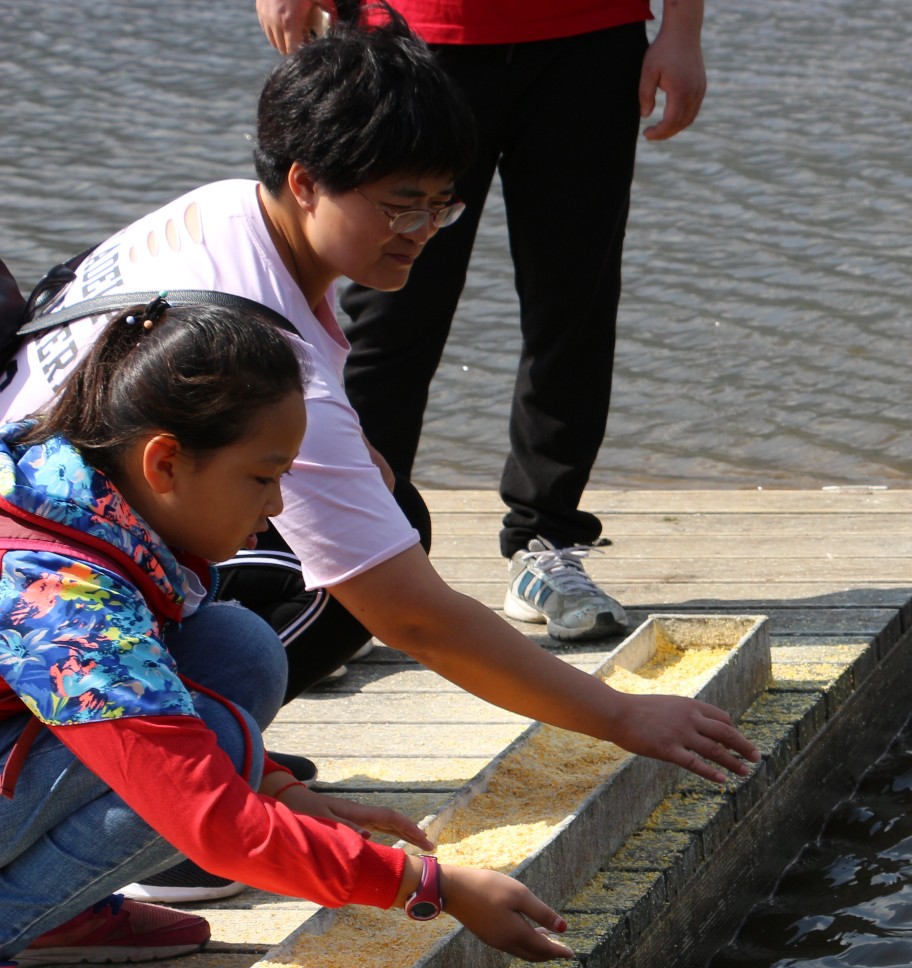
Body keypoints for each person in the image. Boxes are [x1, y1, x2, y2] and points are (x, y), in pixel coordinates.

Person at [0, 4, 756, 904]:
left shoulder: (223, 215)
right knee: (272, 662)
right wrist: (621, 716)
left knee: (261, 632)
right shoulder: (259, 352)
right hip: (54, 578)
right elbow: (416, 619)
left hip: (50, 516)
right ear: (306, 179)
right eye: (401, 204)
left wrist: (284, 786)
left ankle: (129, 838)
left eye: (444, 201)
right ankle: (113, 858)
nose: (427, 229)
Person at [0, 301, 571, 968]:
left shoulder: (84, 488)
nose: (273, 508)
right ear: (165, 461)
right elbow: (210, 822)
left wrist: (277, 789)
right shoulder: (64, 592)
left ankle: (50, 918)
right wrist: (431, 886)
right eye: (262, 478)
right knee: (216, 749)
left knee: (234, 649)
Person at [257, 0, 708, 644]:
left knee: (573, 304)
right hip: (417, 27)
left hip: (588, 35)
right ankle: (341, 554)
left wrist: (682, 29)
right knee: (388, 314)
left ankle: (545, 542)